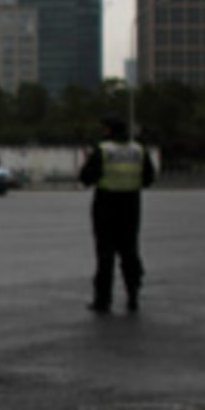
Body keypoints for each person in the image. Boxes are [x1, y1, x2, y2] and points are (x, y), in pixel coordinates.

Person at [79, 114, 156, 313]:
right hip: (131, 207)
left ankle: (103, 300)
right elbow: (149, 178)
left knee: (105, 255)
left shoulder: (103, 151)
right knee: (130, 252)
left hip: (106, 206)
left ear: (109, 131)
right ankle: (133, 295)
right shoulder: (138, 150)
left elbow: (86, 178)